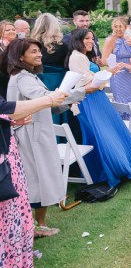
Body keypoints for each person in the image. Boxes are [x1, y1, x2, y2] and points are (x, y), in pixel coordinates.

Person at [4, 39, 87, 238]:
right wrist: (83, 90)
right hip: (31, 136)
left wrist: (67, 101)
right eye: (34, 51)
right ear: (20, 56)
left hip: (36, 132)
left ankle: (36, 224)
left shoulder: (28, 75)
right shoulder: (22, 77)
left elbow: (48, 104)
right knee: (37, 179)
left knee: (41, 177)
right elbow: (43, 97)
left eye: (39, 51)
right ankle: (36, 226)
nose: (40, 54)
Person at [67, 28, 131, 187]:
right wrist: (108, 74)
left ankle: (124, 165)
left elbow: (94, 79)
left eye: (92, 38)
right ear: (78, 40)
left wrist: (109, 72)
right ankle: (113, 169)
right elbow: (88, 84)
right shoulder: (76, 57)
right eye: (87, 39)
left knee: (111, 131)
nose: (91, 41)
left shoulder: (83, 56)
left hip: (98, 98)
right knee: (101, 135)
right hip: (89, 100)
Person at [0, 79, 66, 268]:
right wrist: (49, 99)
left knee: (16, 214)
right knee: (7, 218)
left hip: (8, 154)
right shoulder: (21, 78)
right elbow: (4, 107)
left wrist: (10, 122)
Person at [102, 17, 131, 120]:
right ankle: (125, 125)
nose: (118, 29)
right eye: (116, 26)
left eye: (121, 26)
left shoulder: (127, 40)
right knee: (123, 101)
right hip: (117, 76)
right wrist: (118, 64)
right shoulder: (110, 40)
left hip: (129, 74)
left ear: (125, 27)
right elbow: (103, 61)